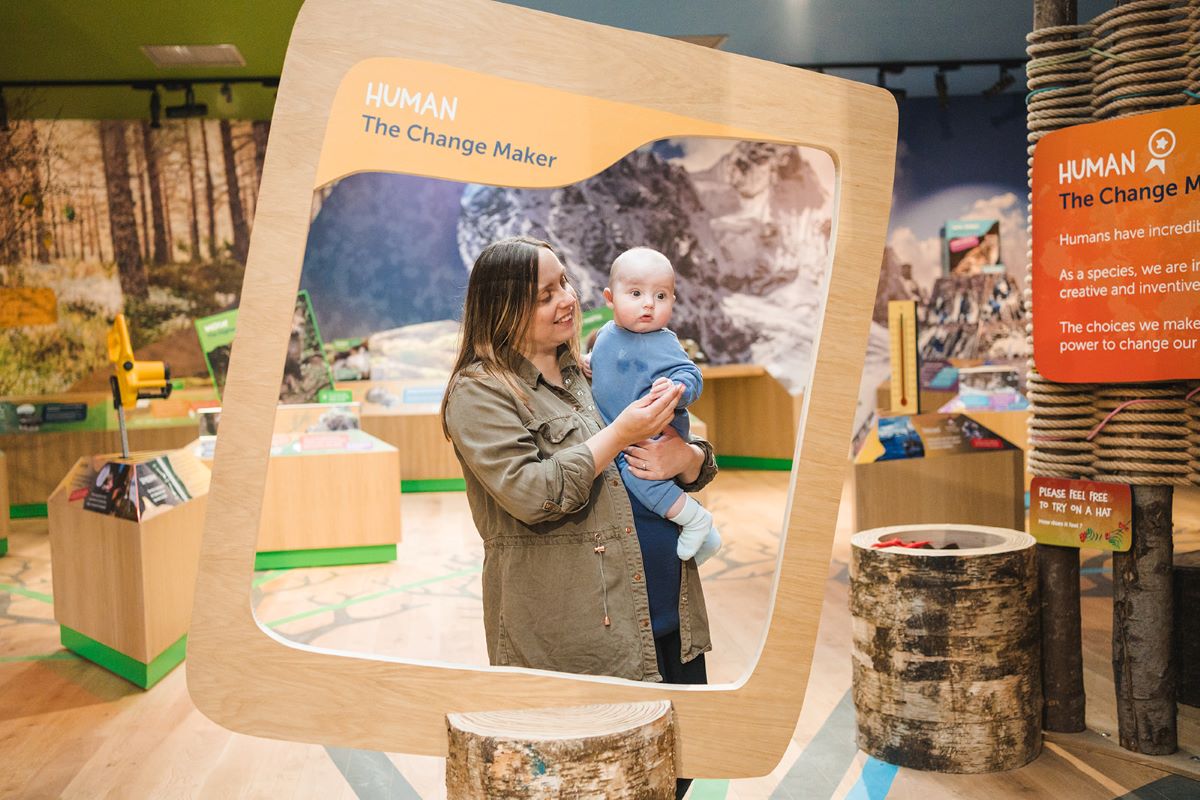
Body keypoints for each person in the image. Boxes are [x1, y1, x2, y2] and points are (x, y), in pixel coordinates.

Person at [442, 236, 716, 798]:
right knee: (593, 782)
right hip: (580, 641)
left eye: (565, 282)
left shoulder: (593, 368)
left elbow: (684, 455)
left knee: (672, 776)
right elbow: (533, 492)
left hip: (666, 617)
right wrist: (621, 434)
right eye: (545, 295)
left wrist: (685, 459)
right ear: (504, 307)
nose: (566, 298)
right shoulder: (479, 394)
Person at [589, 247, 722, 565]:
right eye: (635, 293)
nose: (648, 304)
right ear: (610, 298)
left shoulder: (662, 342)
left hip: (652, 435)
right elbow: (604, 362)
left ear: (673, 302)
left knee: (640, 477)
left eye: (661, 296)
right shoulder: (607, 334)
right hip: (621, 433)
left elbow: (691, 375)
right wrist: (587, 363)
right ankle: (709, 536)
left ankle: (695, 519)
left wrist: (676, 389)